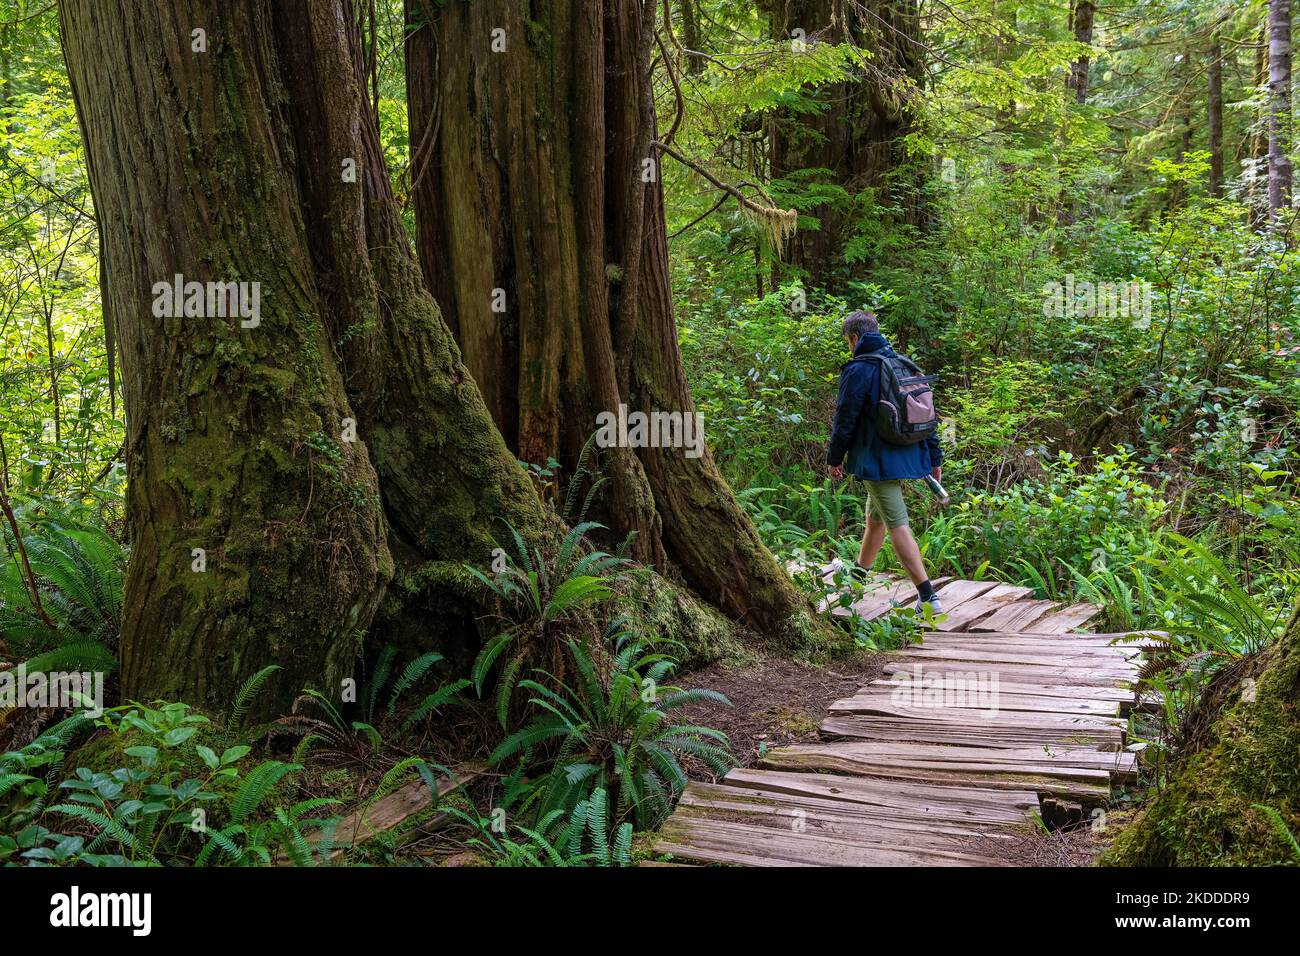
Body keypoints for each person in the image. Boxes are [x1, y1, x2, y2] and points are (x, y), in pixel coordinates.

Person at [826, 310, 944, 613]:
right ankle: (856, 580)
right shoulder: (904, 364)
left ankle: (928, 597)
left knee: (897, 523)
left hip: (878, 462)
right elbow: (928, 417)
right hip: (908, 455)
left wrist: (834, 458)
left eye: (847, 342)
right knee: (875, 518)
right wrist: (934, 458)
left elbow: (845, 419)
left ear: (854, 339)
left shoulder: (859, 369)